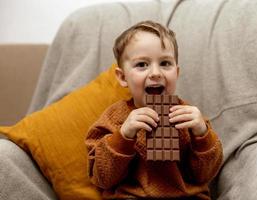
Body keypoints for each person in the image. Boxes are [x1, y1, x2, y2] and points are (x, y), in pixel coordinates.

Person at [85, 20, 223, 199]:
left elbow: (205, 175)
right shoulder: (114, 118)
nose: (156, 73)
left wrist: (202, 135)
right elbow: (102, 179)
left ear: (177, 72)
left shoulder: (189, 117)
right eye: (142, 64)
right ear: (122, 77)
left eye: (165, 63)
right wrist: (124, 136)